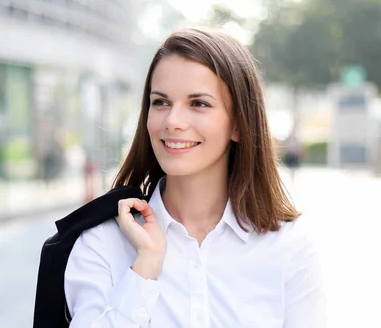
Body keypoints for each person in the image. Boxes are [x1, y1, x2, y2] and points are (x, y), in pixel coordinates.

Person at [64, 28, 326, 327]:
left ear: (239, 124)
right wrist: (145, 267)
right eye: (161, 102)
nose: (173, 121)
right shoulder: (102, 241)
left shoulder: (288, 247)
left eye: (198, 103)